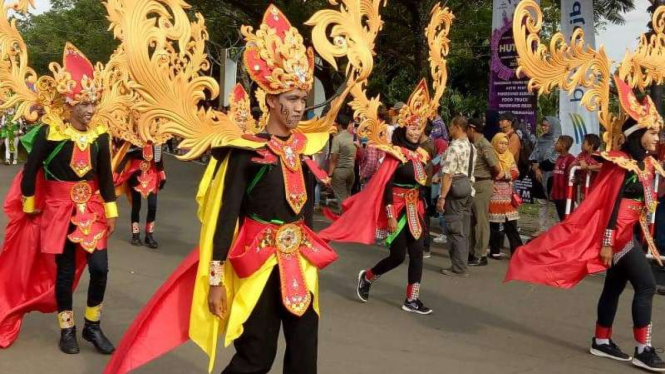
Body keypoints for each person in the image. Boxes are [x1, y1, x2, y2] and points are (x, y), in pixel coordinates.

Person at [102, 5, 366, 373]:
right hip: (256, 265)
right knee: (256, 356)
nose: (298, 107)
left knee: (305, 354)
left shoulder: (303, 149)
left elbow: (305, 214)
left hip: (298, 265)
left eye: (302, 99)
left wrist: (311, 250)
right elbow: (225, 218)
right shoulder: (245, 153)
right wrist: (214, 281)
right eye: (291, 99)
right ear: (271, 100)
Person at [507, 76, 665, 372]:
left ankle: (601, 340)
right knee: (646, 286)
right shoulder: (622, 162)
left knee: (615, 286)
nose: (658, 137)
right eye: (653, 132)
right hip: (617, 235)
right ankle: (643, 350)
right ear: (638, 132)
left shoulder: (645, 163)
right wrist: (607, 242)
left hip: (630, 231)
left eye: (658, 132)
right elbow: (609, 204)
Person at [0, 43, 118, 354]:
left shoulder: (100, 135)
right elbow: (31, 172)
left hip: (92, 211)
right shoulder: (49, 133)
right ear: (69, 103)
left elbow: (105, 177)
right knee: (64, 272)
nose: (91, 110)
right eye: (84, 104)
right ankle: (67, 328)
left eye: (93, 103)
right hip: (58, 211)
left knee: (101, 268)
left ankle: (93, 325)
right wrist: (29, 207)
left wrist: (111, 210)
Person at [320, 79, 437, 315]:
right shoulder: (395, 154)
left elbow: (422, 181)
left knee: (416, 256)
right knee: (397, 257)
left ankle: (411, 300)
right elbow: (385, 186)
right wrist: (391, 215)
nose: (416, 132)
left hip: (415, 210)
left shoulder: (422, 153)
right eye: (412, 128)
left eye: (419, 128)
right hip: (396, 208)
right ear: (404, 128)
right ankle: (368, 277)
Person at [437, 115, 476, 277]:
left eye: (451, 126)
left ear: (458, 127)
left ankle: (458, 267)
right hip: (469, 189)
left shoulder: (454, 148)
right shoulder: (471, 146)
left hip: (455, 192)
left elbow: (448, 174)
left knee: (454, 229)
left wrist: (442, 197)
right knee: (464, 229)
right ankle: (462, 262)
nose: (449, 129)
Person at [114, 143, 166, 248]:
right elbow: (126, 157)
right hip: (136, 175)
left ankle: (149, 235)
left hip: (152, 176)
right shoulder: (135, 140)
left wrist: (162, 175)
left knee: (152, 206)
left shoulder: (157, 144)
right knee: (136, 206)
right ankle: (135, 234)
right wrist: (116, 174)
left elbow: (159, 162)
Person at [467, 118, 500, 266]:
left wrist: (489, 180)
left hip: (482, 183)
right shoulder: (473, 144)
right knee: (471, 221)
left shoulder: (484, 145)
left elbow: (496, 168)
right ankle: (473, 252)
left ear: (471, 129)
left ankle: (481, 254)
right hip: (473, 184)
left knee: (481, 221)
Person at [488, 133, 523, 257]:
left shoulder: (509, 156)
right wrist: (499, 175)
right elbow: (489, 172)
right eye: (500, 143)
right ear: (495, 143)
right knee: (494, 225)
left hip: (508, 195)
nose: (503, 146)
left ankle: (517, 250)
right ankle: (495, 250)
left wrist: (505, 175)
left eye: (505, 144)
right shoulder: (490, 155)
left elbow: (515, 172)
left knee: (511, 224)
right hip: (494, 195)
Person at [529, 116, 560, 236]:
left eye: (546, 125)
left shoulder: (558, 141)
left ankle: (558, 229)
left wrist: (540, 167)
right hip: (539, 176)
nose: (543, 127)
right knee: (542, 203)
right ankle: (543, 228)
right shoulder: (540, 139)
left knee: (555, 203)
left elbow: (554, 159)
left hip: (553, 176)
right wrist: (536, 167)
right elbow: (533, 155)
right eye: (542, 125)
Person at [328, 113, 357, 209]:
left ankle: (345, 220)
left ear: (339, 125)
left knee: (342, 201)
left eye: (336, 123)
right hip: (351, 171)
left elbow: (333, 160)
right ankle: (350, 218)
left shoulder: (337, 139)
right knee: (348, 198)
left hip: (340, 171)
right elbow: (355, 156)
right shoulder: (353, 137)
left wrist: (330, 175)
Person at [550, 135, 577, 220]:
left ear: (563, 145)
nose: (555, 144)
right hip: (557, 196)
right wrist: (552, 191)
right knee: (561, 219)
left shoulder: (571, 159)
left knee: (567, 219)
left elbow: (577, 176)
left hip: (566, 196)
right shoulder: (558, 158)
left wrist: (576, 180)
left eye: (557, 143)